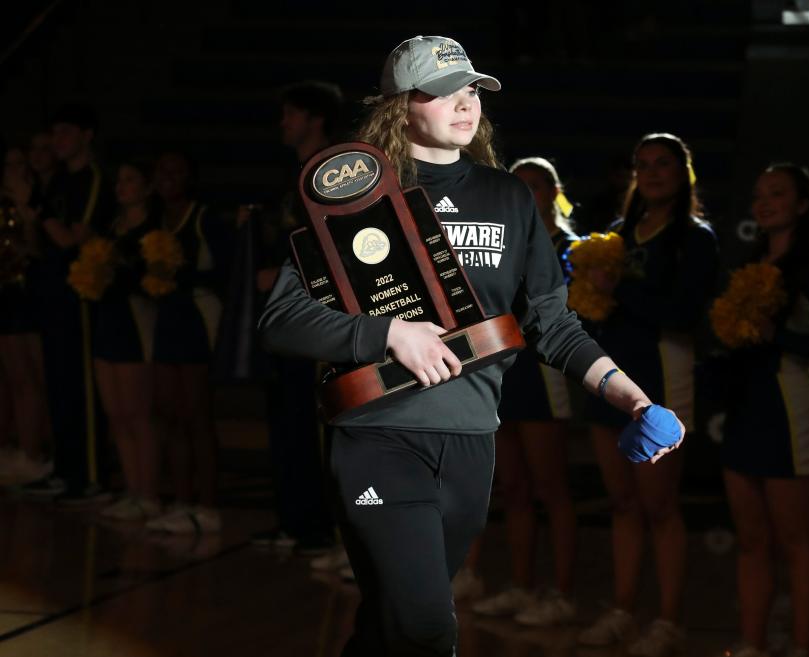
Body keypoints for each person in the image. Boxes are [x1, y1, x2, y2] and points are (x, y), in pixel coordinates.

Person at [259, 35, 682, 657]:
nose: (465, 104)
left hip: (470, 443)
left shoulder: (508, 197)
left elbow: (552, 323)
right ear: (402, 108)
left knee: (390, 625)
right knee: (429, 626)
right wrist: (387, 332)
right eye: (442, 93)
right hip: (379, 435)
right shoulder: (357, 197)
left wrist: (635, 401)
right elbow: (280, 319)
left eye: (472, 91)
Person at [577, 133, 718, 655]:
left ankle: (667, 620)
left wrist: (619, 291)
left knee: (659, 506)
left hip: (661, 375)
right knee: (621, 503)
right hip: (612, 377)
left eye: (664, 164)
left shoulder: (696, 238)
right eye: (644, 165)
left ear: (684, 172)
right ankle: (622, 611)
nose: (653, 173)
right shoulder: (618, 232)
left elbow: (683, 315)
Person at [718, 164, 809, 657]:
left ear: (803, 206)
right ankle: (752, 643)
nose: (764, 202)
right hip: (746, 404)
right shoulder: (749, 262)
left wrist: (779, 336)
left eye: (777, 194)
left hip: (789, 404)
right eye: (759, 195)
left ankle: (804, 646)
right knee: (751, 540)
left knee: (797, 541)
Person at [466, 157, 580, 626]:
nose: (526, 194)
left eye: (536, 186)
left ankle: (563, 594)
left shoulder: (573, 248)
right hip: (503, 372)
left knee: (550, 487)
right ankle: (520, 585)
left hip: (545, 376)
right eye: (519, 187)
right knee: (512, 488)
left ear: (554, 192)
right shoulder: (505, 244)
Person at [245, 80, 343, 555]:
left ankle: (320, 526)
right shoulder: (294, 171)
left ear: (314, 118)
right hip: (287, 315)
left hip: (318, 316)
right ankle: (295, 520)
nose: (283, 123)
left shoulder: (334, 170)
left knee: (312, 420)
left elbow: (337, 242)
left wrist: (288, 273)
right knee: (285, 417)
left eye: (291, 113)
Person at [21, 104, 113, 503]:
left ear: (86, 135)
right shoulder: (58, 180)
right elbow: (42, 243)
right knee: (56, 382)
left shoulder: (91, 178)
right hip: (52, 289)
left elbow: (70, 238)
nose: (58, 141)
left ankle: (90, 474)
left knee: (80, 384)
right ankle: (65, 468)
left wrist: (37, 208)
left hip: (81, 294)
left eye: (64, 132)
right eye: (54, 132)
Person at [146, 152, 228, 534]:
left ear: (190, 177)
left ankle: (209, 507)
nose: (168, 177)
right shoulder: (154, 219)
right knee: (169, 416)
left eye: (176, 170)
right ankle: (181, 502)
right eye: (163, 170)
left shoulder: (204, 217)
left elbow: (225, 273)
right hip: (165, 322)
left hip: (197, 322)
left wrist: (183, 274)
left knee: (196, 417)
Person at [90, 160, 161, 521]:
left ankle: (148, 493)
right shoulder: (111, 229)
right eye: (119, 179)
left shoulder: (155, 233)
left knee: (138, 415)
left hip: (137, 325)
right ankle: (133, 490)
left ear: (147, 188)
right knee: (116, 413)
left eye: (130, 179)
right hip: (108, 321)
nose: (121, 186)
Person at [0, 145, 52, 484]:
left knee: (32, 379)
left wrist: (24, 207)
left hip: (30, 294)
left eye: (23, 163)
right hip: (7, 294)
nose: (18, 169)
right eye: (11, 164)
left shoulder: (36, 202)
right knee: (13, 379)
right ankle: (18, 447)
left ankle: (36, 452)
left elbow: (35, 248)